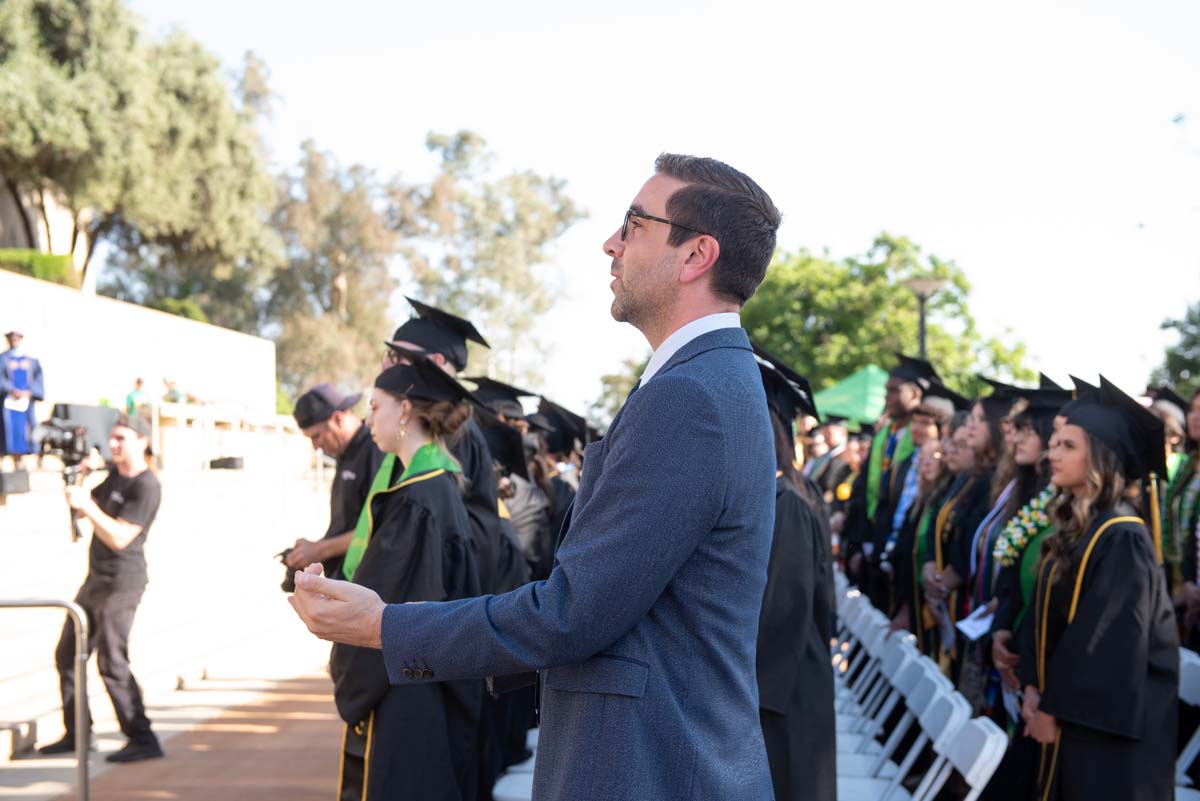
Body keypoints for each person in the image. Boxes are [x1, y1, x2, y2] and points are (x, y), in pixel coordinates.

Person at [289, 152, 783, 801]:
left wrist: (387, 625)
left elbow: (573, 613)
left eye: (633, 224)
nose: (611, 242)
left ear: (696, 255)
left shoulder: (689, 396)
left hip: (652, 768)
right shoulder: (709, 380)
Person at [329, 355, 483, 801]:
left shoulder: (419, 497)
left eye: (375, 406)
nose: (368, 417)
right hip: (428, 680)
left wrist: (337, 637)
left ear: (405, 410)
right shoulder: (436, 485)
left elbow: (380, 614)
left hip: (407, 693)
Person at [1021, 377, 1178, 801]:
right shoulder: (1083, 528)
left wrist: (1052, 707)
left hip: (1104, 739)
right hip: (1071, 718)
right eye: (1054, 441)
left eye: (1068, 445)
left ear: (1101, 459)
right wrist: (1034, 684)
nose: (1052, 452)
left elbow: (1105, 641)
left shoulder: (1122, 536)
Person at [39, 414, 163, 763]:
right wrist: (81, 477)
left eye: (122, 438)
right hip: (95, 580)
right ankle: (78, 734)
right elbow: (79, 512)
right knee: (67, 655)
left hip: (123, 584)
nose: (114, 444)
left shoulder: (146, 485)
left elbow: (121, 537)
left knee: (112, 661)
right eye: (112, 438)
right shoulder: (113, 478)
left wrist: (88, 505)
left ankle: (143, 737)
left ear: (142, 441)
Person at [753, 346, 836, 801]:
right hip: (788, 683)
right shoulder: (793, 491)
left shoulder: (787, 503)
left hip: (783, 691)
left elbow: (779, 614)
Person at [981, 387, 1068, 801]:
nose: (1017, 439)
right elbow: (1010, 580)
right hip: (1015, 651)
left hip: (1040, 668)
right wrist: (1000, 632)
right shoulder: (1026, 498)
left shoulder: (1062, 511)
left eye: (1031, 432)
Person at [844, 354, 939, 610]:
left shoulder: (924, 446)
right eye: (886, 391)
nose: (887, 398)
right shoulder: (885, 434)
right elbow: (863, 489)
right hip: (872, 544)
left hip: (899, 551)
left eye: (894, 391)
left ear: (916, 393)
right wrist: (858, 542)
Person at [287, 384, 384, 579]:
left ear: (338, 418)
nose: (316, 446)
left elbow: (379, 528)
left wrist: (320, 550)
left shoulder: (375, 449)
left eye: (317, 436)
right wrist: (308, 552)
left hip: (365, 584)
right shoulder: (344, 452)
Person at [0, 329, 45, 467]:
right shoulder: (2, 359)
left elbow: (38, 380)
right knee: (5, 434)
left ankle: (19, 464)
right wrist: (11, 389)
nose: (14, 340)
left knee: (23, 435)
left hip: (24, 406)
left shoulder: (30, 361)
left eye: (16, 337)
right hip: (6, 405)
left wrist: (29, 392)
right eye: (11, 337)